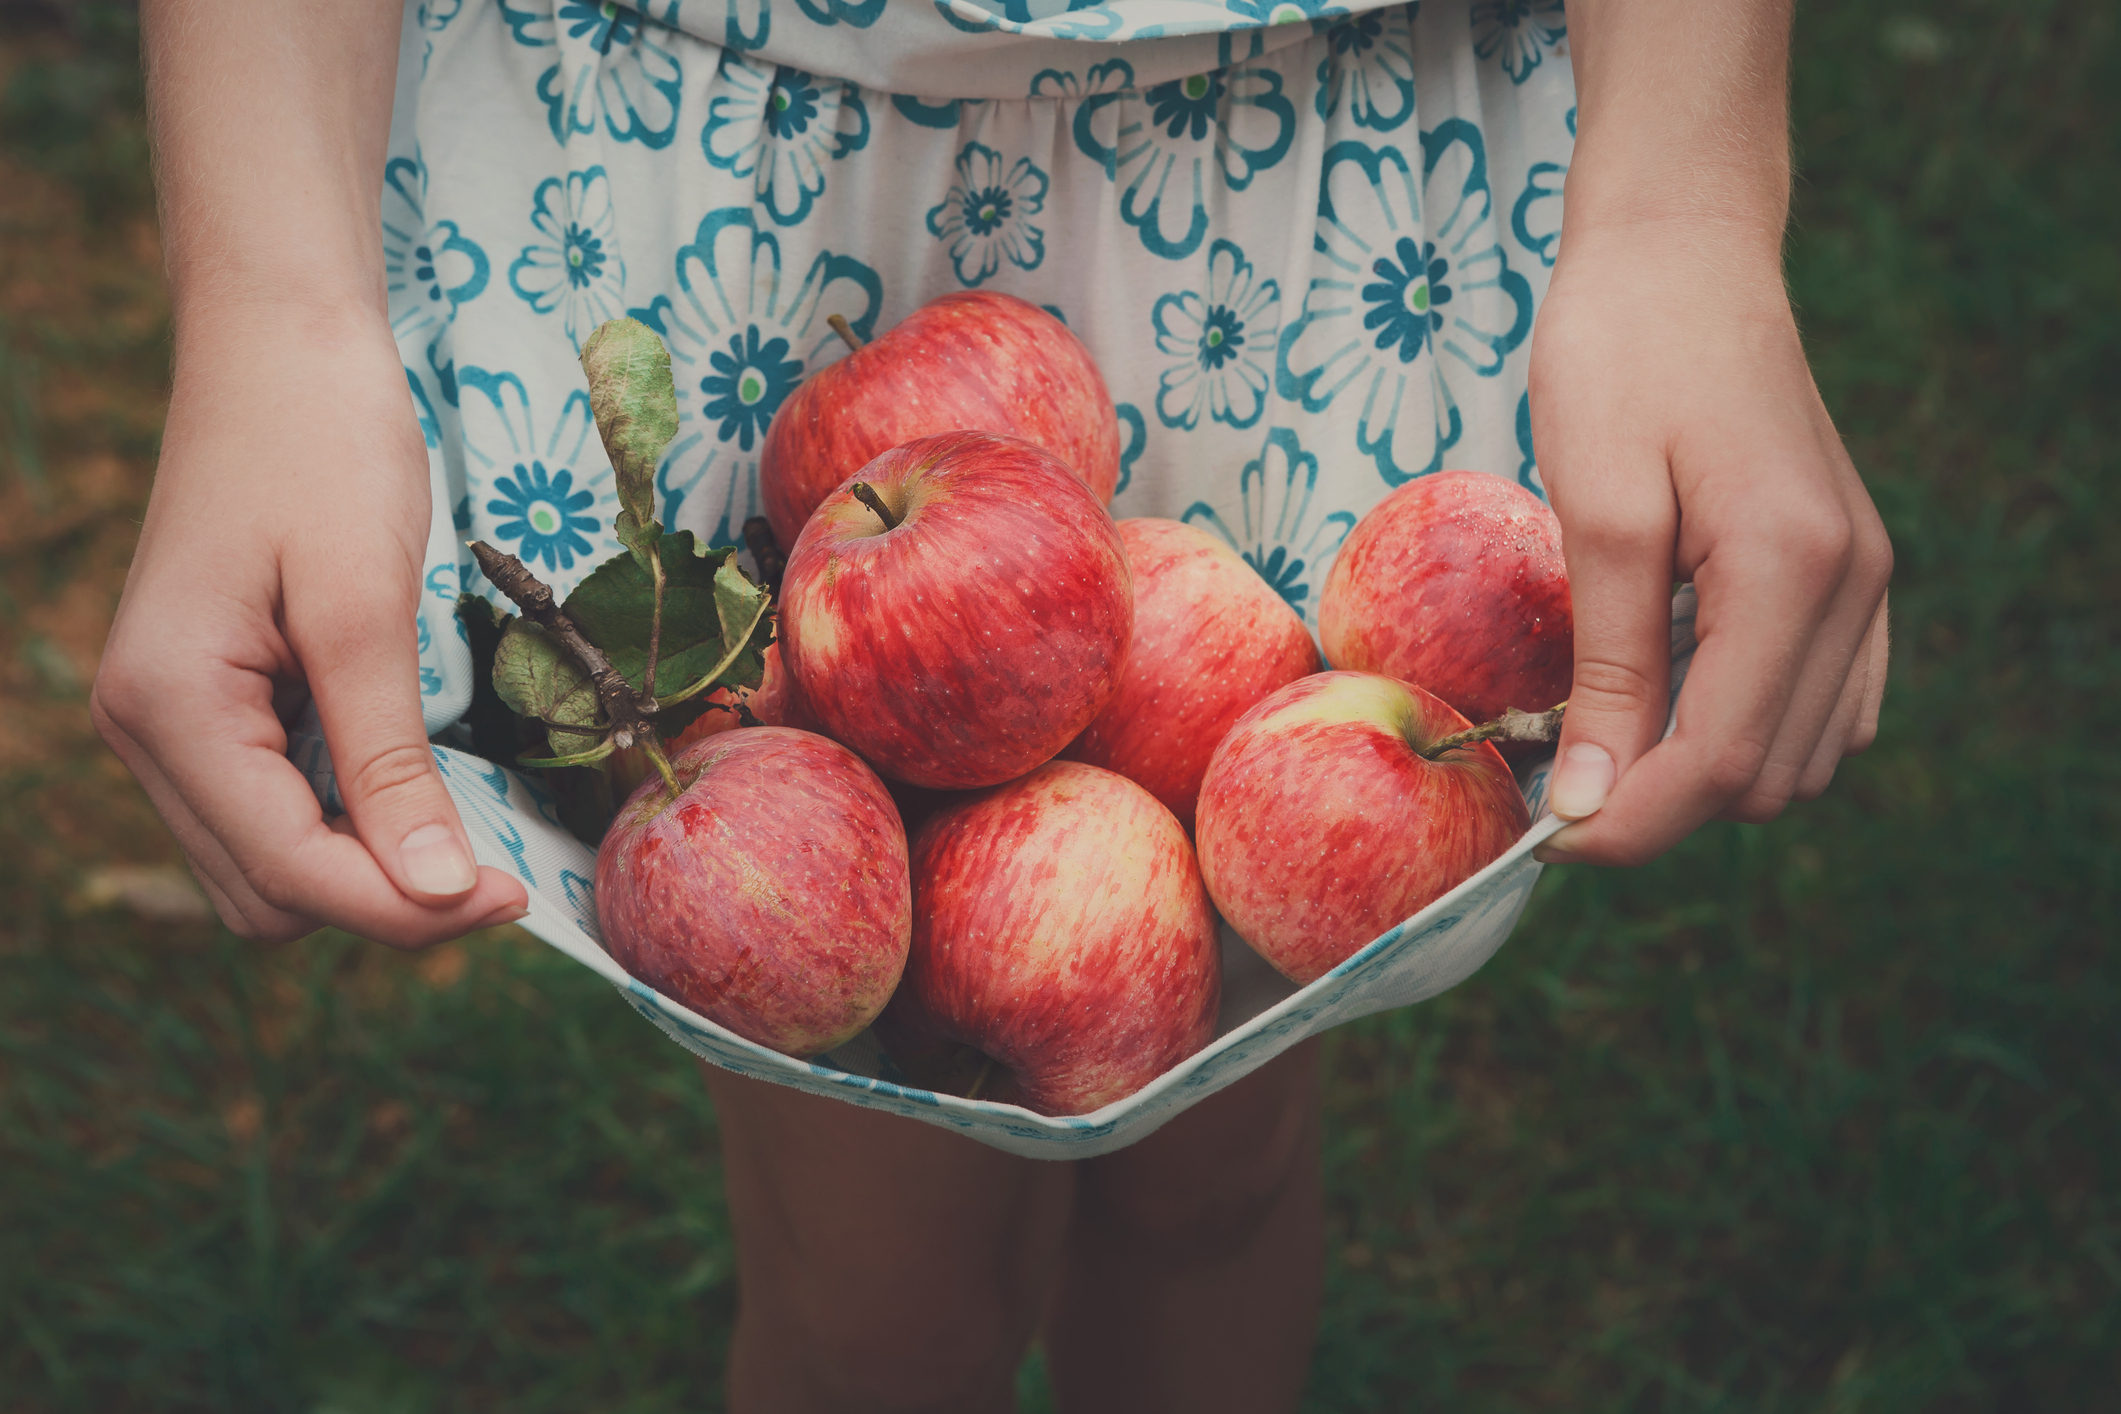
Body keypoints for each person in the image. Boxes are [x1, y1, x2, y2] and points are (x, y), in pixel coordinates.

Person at [93, 0, 1891, 1409]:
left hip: (1305, 163)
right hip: (752, 143)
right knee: (883, 1306)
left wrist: (1683, 206)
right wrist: (269, 310)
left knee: (1220, 1168)